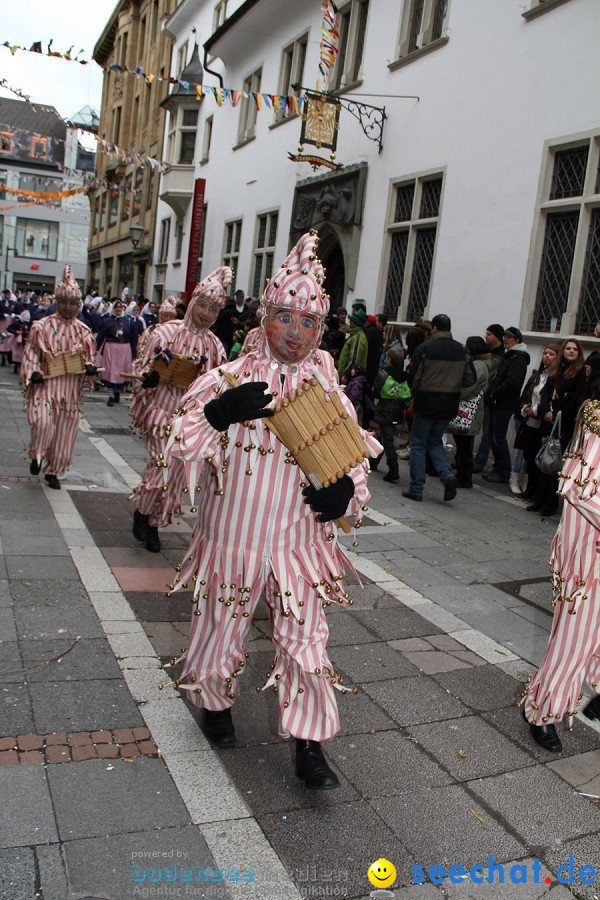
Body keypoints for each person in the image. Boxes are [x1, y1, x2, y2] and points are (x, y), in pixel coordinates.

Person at [164, 231, 381, 790]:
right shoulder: (227, 378)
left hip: (299, 546)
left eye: (310, 323)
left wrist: (344, 496)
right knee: (219, 629)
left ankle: (310, 744)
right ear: (265, 317)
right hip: (231, 539)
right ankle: (214, 705)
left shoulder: (328, 391)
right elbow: (178, 445)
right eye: (286, 317)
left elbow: (354, 462)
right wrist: (215, 415)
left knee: (307, 642)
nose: (297, 333)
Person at [521, 393, 600, 753]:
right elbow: (580, 488)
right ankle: (542, 711)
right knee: (575, 639)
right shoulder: (597, 416)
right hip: (589, 558)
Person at [131, 268, 228, 553]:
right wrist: (148, 378)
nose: (207, 314)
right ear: (192, 302)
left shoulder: (214, 346)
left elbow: (218, 384)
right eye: (203, 305)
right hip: (161, 412)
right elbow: (141, 367)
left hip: (191, 421)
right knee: (161, 466)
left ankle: (152, 521)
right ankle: (144, 513)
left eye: (213, 309)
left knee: (175, 477)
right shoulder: (166, 331)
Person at [20, 265, 97, 489]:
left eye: (73, 303)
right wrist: (33, 371)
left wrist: (90, 367)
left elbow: (89, 358)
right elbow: (32, 352)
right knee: (43, 422)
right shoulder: (41, 327)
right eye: (63, 302)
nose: (68, 307)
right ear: (57, 301)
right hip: (45, 386)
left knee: (64, 433)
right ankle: (37, 454)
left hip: (69, 392)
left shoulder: (84, 331)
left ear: (79, 304)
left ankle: (53, 471)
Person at [403, 314, 475, 502]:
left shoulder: (425, 348)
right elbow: (470, 379)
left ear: (434, 328)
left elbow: (413, 379)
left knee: (418, 444)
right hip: (449, 402)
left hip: (426, 401)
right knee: (435, 442)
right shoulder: (462, 350)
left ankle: (416, 488)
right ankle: (447, 475)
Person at [528, 338, 587, 516]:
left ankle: (551, 502)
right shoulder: (556, 369)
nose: (570, 351)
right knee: (544, 457)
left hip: (564, 423)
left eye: (574, 349)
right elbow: (546, 392)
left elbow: (577, 397)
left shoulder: (580, 372)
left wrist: (561, 412)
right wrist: (546, 410)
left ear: (578, 353)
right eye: (568, 348)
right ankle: (541, 498)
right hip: (548, 421)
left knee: (555, 462)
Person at [482, 327, 530, 484]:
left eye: (509, 337)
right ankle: (499, 467)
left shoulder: (518, 358)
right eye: (504, 336)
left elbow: (511, 382)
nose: (505, 339)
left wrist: (494, 393)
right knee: (493, 436)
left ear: (516, 340)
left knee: (498, 438)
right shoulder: (509, 355)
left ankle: (504, 470)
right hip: (496, 401)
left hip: (504, 403)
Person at [447, 336, 492, 489]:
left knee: (465, 446)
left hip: (469, 411)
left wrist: (454, 393)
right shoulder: (478, 364)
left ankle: (464, 478)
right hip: (468, 410)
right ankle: (461, 475)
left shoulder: (479, 366)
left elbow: (470, 387)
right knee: (462, 445)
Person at [518, 343, 561, 502]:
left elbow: (548, 400)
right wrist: (525, 408)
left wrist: (536, 410)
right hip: (530, 420)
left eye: (551, 354)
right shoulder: (539, 375)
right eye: (545, 353)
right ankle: (529, 488)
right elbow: (528, 395)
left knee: (540, 457)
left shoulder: (555, 378)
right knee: (529, 455)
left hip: (543, 422)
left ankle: (538, 492)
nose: (547, 357)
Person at [371, 346, 410, 483]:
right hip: (397, 410)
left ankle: (393, 470)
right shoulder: (404, 376)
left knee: (388, 441)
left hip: (384, 409)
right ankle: (374, 461)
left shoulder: (383, 374)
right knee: (385, 435)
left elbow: (376, 392)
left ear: (388, 359)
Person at [473, 324, 505, 472]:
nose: (486, 336)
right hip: (483, 394)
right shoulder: (487, 351)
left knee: (488, 432)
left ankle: (480, 461)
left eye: (489, 334)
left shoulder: (501, 355)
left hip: (490, 396)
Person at [97, 299, 138, 406]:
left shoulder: (129, 322)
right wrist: (95, 348)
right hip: (111, 349)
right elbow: (101, 336)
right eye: (116, 307)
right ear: (113, 309)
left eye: (120, 307)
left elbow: (134, 338)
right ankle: (110, 396)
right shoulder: (107, 321)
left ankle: (117, 392)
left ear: (123, 309)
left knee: (121, 371)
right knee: (110, 371)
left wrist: (134, 352)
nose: (118, 309)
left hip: (124, 349)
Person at [337, 307, 368, 378]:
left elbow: (354, 360)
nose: (349, 321)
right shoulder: (355, 335)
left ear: (355, 322)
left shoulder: (358, 337)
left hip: (350, 378)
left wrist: (346, 376)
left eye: (351, 320)